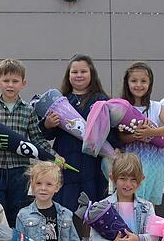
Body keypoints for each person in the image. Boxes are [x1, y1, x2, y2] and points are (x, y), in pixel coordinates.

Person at [0, 59, 54, 226]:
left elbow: (36, 138)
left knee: (18, 209)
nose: (10, 85)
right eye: (6, 81)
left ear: (23, 83)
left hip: (20, 170)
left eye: (15, 81)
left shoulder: (28, 110)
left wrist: (54, 157)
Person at [47, 54, 120, 213]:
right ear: (68, 75)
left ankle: (90, 239)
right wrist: (48, 124)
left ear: (91, 74)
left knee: (93, 211)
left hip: (93, 166)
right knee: (64, 210)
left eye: (83, 71)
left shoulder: (102, 100)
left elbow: (112, 132)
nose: (79, 75)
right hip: (67, 163)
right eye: (74, 72)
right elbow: (47, 134)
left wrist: (116, 149)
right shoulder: (61, 100)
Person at [119, 62, 164, 205]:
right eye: (134, 81)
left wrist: (152, 132)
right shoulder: (122, 107)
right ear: (127, 83)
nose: (139, 85)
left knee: (148, 203)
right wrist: (135, 136)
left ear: (150, 83)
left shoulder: (157, 107)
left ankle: (149, 227)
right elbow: (120, 137)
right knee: (129, 200)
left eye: (143, 81)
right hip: (130, 161)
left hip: (153, 161)